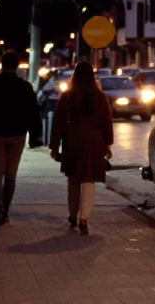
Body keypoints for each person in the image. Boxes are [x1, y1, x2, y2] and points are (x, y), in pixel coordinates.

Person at [0, 50, 42, 227]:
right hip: (17, 134)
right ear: (17, 66)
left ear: (2, 64)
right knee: (11, 174)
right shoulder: (25, 87)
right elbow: (33, 112)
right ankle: (5, 210)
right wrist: (35, 135)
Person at [50, 60, 113, 235]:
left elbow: (58, 123)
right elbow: (106, 122)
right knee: (88, 181)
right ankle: (84, 219)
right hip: (94, 143)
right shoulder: (99, 97)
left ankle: (72, 216)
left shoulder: (68, 97)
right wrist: (107, 144)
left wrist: (54, 146)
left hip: (73, 142)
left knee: (73, 180)